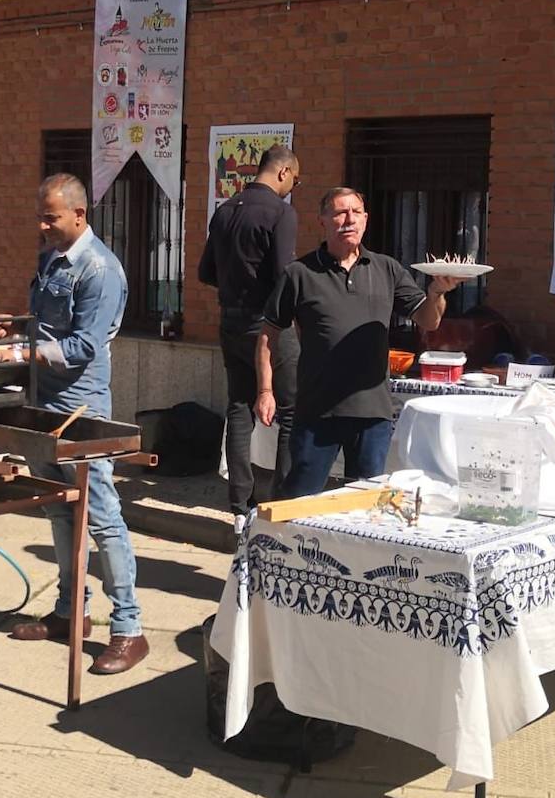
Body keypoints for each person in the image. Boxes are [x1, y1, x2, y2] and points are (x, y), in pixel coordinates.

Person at [0, 173, 147, 676]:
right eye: (41, 215)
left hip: (81, 408)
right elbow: (51, 325)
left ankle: (129, 628)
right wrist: (16, 326)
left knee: (102, 516)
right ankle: (68, 613)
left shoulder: (100, 269)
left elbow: (83, 345)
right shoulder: (50, 259)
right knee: (58, 512)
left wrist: (21, 350)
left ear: (80, 215)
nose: (42, 225)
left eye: (50, 217)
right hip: (44, 401)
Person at [257, 187, 462, 498]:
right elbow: (268, 335)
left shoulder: (387, 269)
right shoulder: (299, 274)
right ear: (322, 221)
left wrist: (437, 293)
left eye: (356, 212)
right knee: (298, 500)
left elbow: (429, 320)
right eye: (339, 212)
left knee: (365, 507)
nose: (348, 219)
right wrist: (265, 391)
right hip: (317, 412)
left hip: (372, 413)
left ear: (366, 220)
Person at [198, 144, 302, 529]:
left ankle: (240, 504)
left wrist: (235, 283)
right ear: (282, 172)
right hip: (270, 327)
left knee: (240, 408)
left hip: (231, 323)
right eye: (295, 179)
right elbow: (283, 274)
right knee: (290, 410)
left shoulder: (225, 211)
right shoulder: (281, 212)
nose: (293, 186)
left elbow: (205, 272)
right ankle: (284, 501)